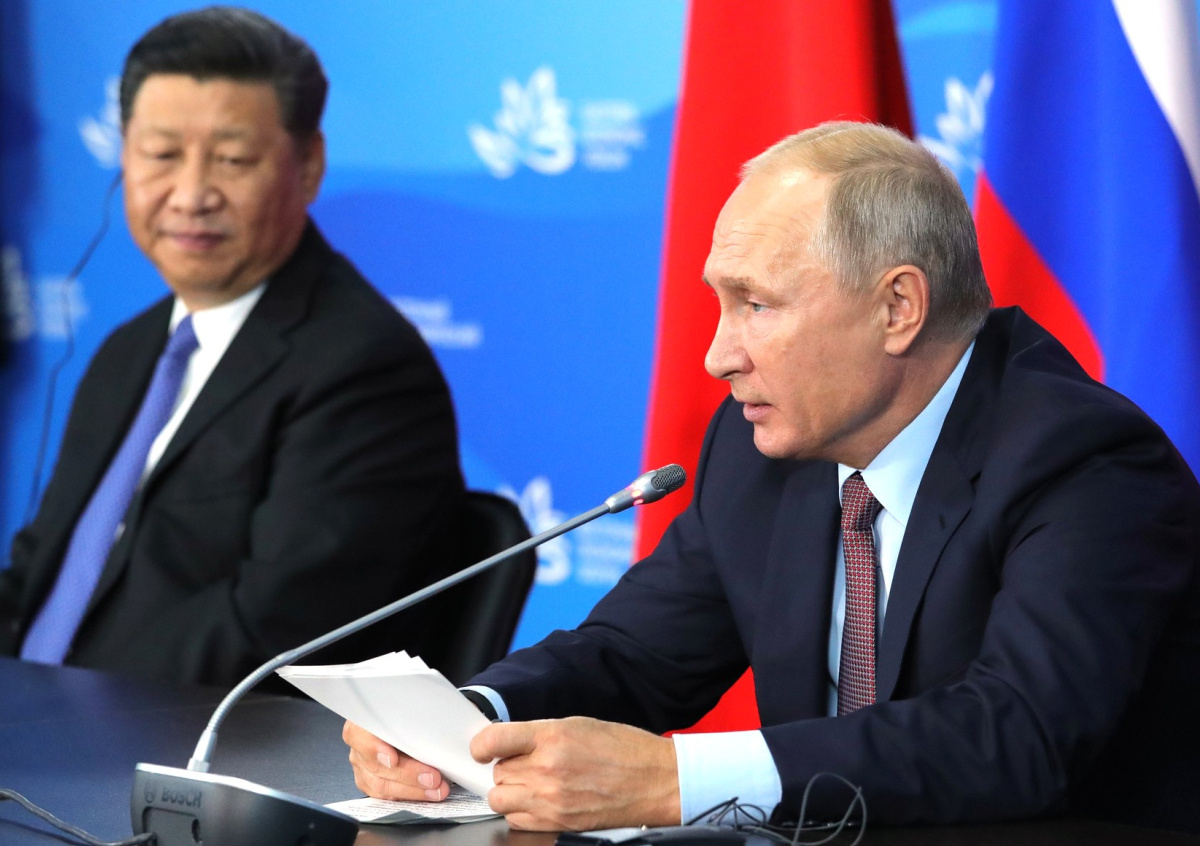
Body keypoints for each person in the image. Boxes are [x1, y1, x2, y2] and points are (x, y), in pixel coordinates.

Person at [343, 121, 1200, 832]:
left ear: (898, 307)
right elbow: (635, 654)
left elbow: (1016, 736)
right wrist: (471, 723)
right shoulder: (765, 446)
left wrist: (672, 779)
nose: (719, 356)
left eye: (756, 305)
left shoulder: (1084, 463)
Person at [0, 7, 465, 688]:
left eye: (233, 160)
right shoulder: (128, 350)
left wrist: (48, 709)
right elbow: (41, 576)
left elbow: (271, 642)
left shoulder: (364, 371)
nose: (191, 195)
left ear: (309, 166)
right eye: (161, 155)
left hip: (159, 737)